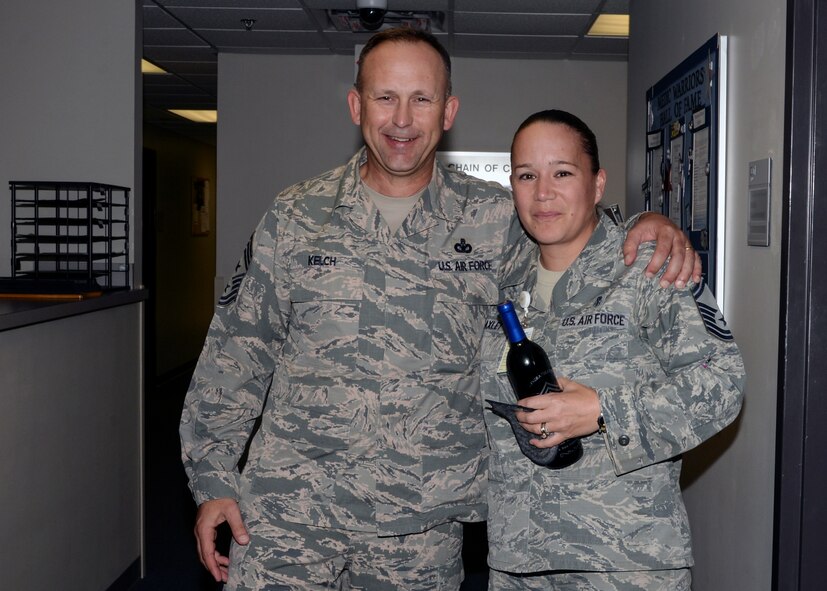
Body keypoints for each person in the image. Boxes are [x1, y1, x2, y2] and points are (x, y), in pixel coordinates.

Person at [180, 29, 699, 591]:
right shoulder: (295, 216)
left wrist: (649, 226)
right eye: (385, 97)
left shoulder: (495, 220)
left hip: (420, 528)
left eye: (421, 99)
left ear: (447, 111)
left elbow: (573, 227)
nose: (402, 119)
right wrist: (213, 481)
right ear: (356, 105)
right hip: (288, 518)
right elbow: (236, 352)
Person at [481, 109, 745, 591]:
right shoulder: (501, 274)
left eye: (563, 172)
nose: (543, 192)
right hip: (519, 560)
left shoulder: (648, 268)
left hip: (626, 563)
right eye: (526, 175)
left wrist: (603, 410)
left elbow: (722, 384)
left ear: (597, 184)